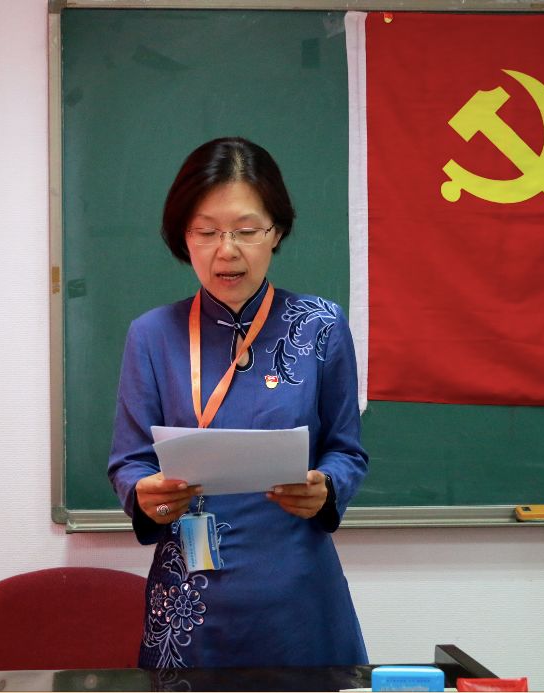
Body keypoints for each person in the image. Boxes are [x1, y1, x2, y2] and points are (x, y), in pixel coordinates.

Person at [108, 137, 369, 669]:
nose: (226, 251)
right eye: (206, 232)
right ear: (183, 236)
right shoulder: (152, 335)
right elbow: (128, 461)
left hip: (298, 594)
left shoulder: (320, 326)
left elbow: (347, 450)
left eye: (247, 231)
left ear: (277, 232)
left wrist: (326, 487)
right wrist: (144, 492)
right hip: (189, 602)